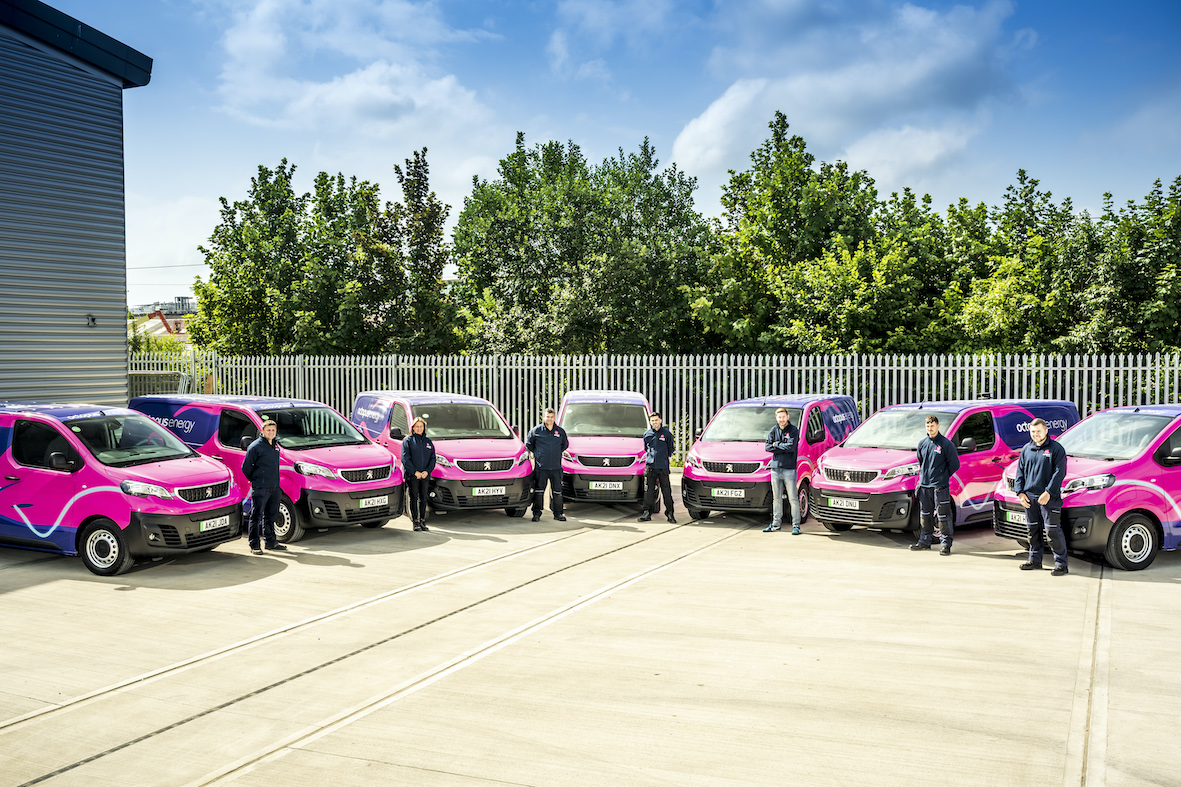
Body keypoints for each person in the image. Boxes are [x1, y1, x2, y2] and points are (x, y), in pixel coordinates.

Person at [1015, 417, 1069, 575]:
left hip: (1048, 499)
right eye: (1032, 432)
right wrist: (1020, 493)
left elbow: (1060, 473)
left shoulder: (1056, 449)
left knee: (1052, 532)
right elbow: (1020, 472)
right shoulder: (1026, 449)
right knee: (1033, 531)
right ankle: (1035, 560)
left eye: (1038, 431)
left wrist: (1049, 492)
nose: (1035, 434)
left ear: (1046, 431)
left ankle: (1061, 564)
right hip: (1029, 498)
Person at [910, 414, 960, 555]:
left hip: (940, 486)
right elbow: (921, 461)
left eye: (932, 426)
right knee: (925, 515)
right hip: (925, 486)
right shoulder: (922, 444)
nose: (930, 428)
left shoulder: (946, 444)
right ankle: (924, 541)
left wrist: (942, 476)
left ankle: (945, 544)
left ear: (938, 426)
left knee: (943, 516)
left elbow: (955, 465)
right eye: (927, 426)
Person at [242, 419, 286, 555]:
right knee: (256, 516)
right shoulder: (255, 446)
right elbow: (246, 467)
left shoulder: (275, 445)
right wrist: (254, 480)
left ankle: (271, 542)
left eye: (273, 430)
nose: (271, 432)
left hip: (274, 486)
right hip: (261, 487)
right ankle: (254, 544)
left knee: (271, 515)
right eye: (268, 430)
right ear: (262, 431)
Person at [526, 407, 569, 522]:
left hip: (556, 468)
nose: (549, 419)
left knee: (557, 492)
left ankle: (558, 513)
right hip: (541, 467)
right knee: (539, 491)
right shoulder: (536, 431)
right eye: (547, 417)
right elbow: (529, 445)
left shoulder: (560, 432)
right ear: (543, 417)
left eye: (551, 417)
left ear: (554, 417)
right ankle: (536, 513)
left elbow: (564, 445)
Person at [763, 407, 802, 534]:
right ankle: (775, 524)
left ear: (788, 417)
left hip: (789, 470)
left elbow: (791, 447)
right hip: (775, 469)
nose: (782, 419)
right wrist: (778, 445)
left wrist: (776, 444)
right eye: (779, 417)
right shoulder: (773, 430)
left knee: (792, 498)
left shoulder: (794, 430)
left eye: (783, 417)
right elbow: (767, 446)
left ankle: (796, 525)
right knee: (777, 499)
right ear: (776, 418)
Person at [638, 412, 676, 523]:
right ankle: (647, 513)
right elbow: (646, 448)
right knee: (649, 491)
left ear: (660, 420)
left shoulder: (667, 434)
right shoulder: (647, 434)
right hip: (650, 467)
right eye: (652, 420)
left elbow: (671, 449)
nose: (654, 422)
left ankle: (670, 513)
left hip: (663, 467)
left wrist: (665, 458)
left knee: (666, 491)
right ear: (650, 422)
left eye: (656, 420)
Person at [401, 416, 435, 532]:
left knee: (423, 498)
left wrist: (427, 471)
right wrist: (415, 472)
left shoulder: (428, 442)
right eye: (417, 426)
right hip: (413, 476)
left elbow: (432, 459)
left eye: (421, 426)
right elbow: (405, 459)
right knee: (414, 497)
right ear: (413, 428)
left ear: (424, 428)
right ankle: (415, 522)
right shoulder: (408, 441)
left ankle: (422, 521)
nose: (419, 428)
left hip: (425, 476)